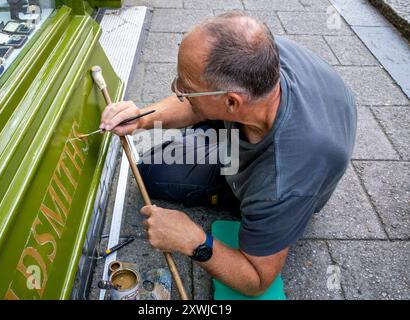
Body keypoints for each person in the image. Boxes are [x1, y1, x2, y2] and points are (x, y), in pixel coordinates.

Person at [100, 11, 357, 296]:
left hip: (290, 182)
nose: (177, 91)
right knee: (164, 154)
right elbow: (195, 101)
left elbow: (256, 281)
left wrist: (193, 240)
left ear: (232, 103)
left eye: (186, 88)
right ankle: (207, 122)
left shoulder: (280, 182)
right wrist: (142, 118)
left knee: (151, 174)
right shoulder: (256, 55)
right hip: (268, 132)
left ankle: (244, 196)